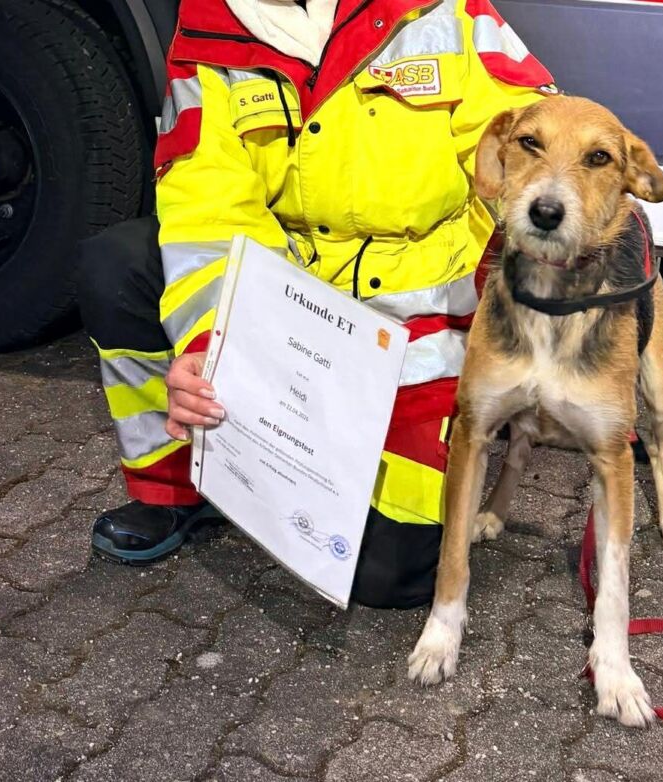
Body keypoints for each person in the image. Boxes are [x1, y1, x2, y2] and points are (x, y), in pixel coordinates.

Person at [78, 0, 556, 609]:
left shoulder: (445, 11)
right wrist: (211, 342)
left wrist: (578, 222)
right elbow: (207, 207)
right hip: (289, 304)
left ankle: (348, 458)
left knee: (390, 577)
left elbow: (530, 133)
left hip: (424, 316)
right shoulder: (207, 29)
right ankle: (178, 487)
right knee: (118, 265)